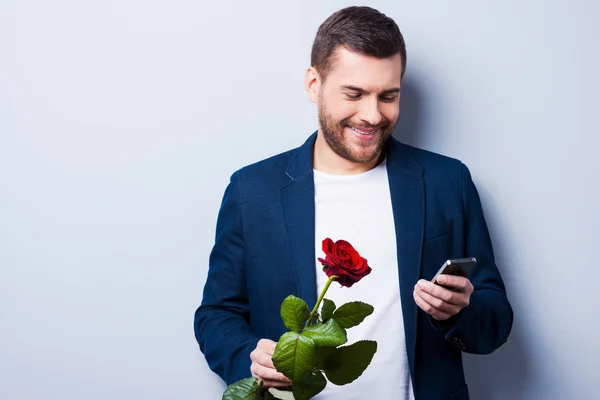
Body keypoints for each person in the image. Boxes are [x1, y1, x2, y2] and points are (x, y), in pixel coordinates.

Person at [194, 6, 513, 400]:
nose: (372, 115)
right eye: (354, 94)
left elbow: (495, 320)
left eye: (388, 96)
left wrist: (459, 311)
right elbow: (216, 315)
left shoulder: (449, 182)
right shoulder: (251, 190)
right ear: (314, 85)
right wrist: (248, 357)